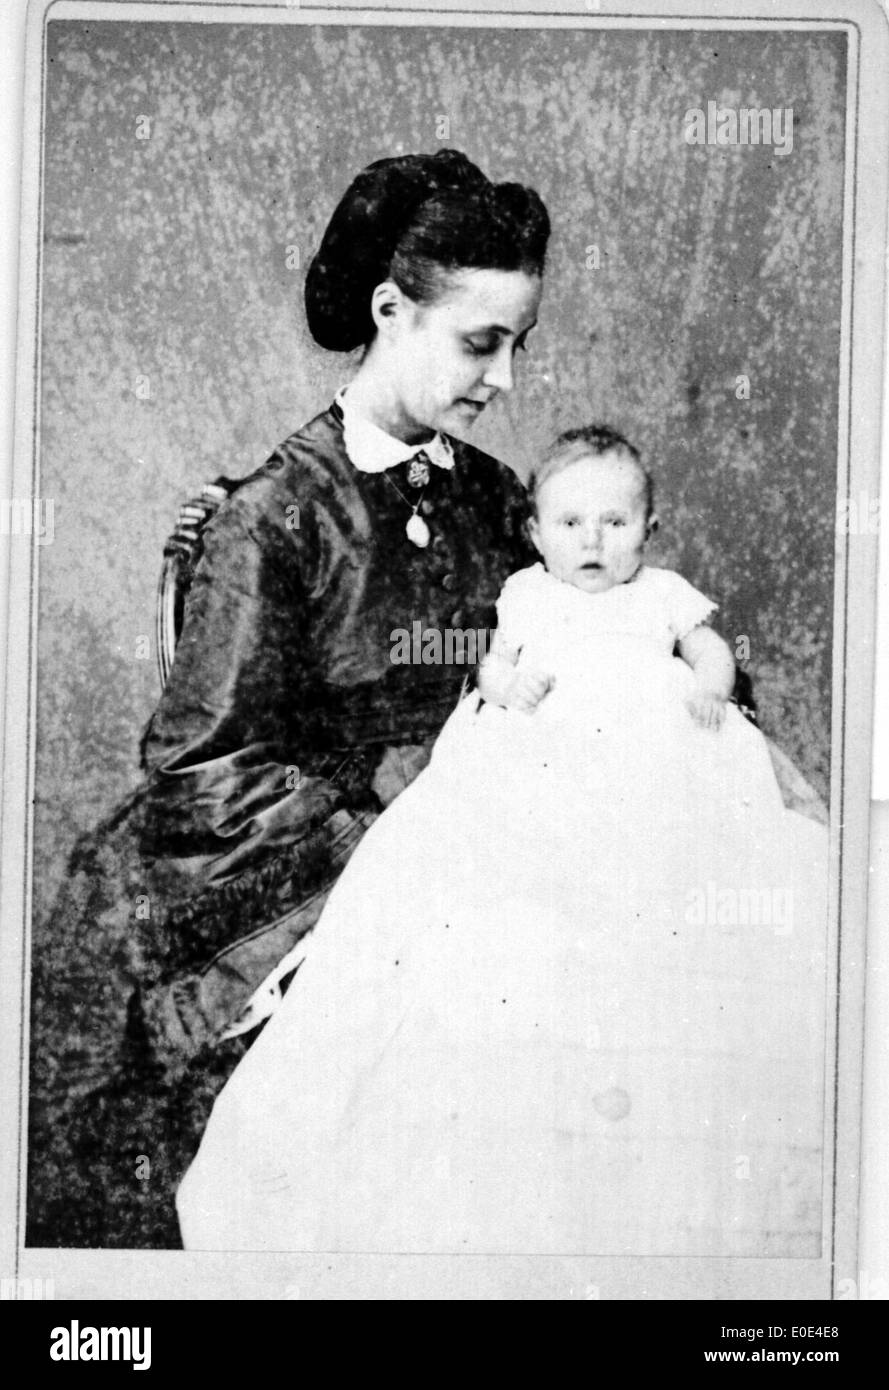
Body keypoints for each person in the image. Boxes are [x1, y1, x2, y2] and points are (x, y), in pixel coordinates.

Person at [27, 148, 550, 1248]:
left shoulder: (504, 505)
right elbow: (199, 769)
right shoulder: (271, 519)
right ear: (389, 309)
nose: (503, 380)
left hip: (494, 853)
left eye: (517, 345)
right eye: (480, 343)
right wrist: (389, 831)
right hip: (313, 881)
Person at [177, 425, 828, 1257]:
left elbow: (708, 650)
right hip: (544, 751)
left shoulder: (661, 592)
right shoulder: (525, 592)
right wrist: (503, 682)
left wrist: (708, 688)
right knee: (479, 860)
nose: (591, 542)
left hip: (656, 757)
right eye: (569, 524)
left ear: (649, 528)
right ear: (535, 532)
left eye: (615, 523)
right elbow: (487, 665)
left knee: (714, 884)